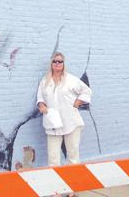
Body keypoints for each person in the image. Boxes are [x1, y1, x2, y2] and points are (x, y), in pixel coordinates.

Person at [37, 52, 92, 196]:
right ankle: (56, 191)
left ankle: (71, 190)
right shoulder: (45, 81)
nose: (57, 64)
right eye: (55, 61)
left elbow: (87, 91)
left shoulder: (71, 80)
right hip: (53, 123)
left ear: (63, 63)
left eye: (60, 61)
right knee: (53, 158)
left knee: (73, 156)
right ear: (51, 63)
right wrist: (42, 106)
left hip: (71, 122)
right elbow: (40, 98)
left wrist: (78, 102)